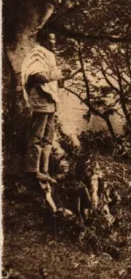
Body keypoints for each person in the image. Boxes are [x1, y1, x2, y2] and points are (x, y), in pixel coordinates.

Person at [21, 32, 74, 184]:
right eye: (50, 39)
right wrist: (59, 73)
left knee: (48, 137)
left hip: (50, 100)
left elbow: (53, 79)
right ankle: (32, 170)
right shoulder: (37, 53)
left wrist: (63, 75)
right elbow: (38, 76)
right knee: (37, 135)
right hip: (40, 99)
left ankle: (44, 171)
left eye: (54, 39)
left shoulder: (49, 55)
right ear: (43, 39)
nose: (53, 42)